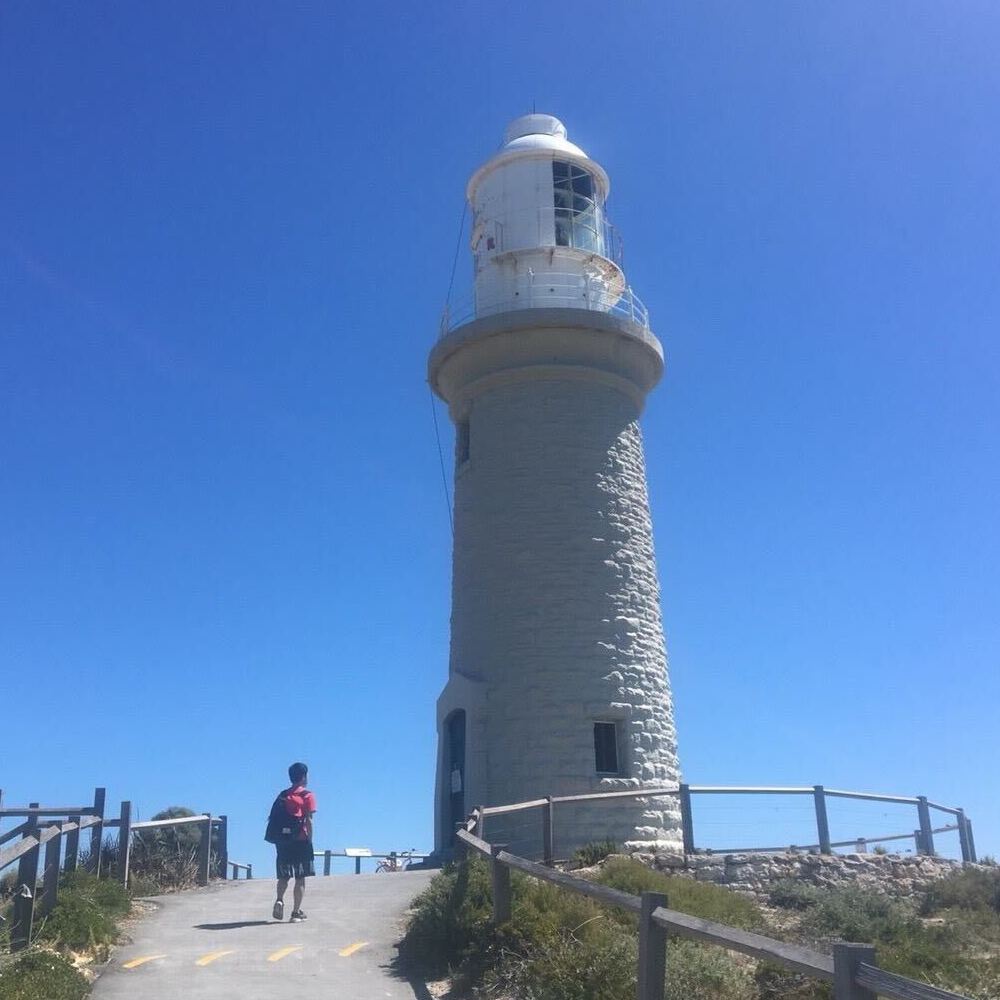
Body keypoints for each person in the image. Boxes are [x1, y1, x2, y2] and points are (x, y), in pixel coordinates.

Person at [271, 761, 316, 923]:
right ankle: (295, 913)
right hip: (300, 840)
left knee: (284, 876)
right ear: (303, 777)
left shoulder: (283, 795)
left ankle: (279, 899)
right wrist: (310, 838)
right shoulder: (307, 796)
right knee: (300, 878)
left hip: (283, 842)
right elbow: (309, 820)